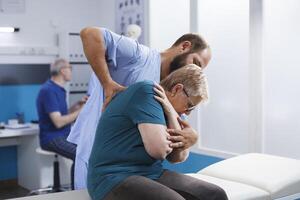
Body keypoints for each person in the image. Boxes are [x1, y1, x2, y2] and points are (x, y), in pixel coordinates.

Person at [67, 26, 212, 189]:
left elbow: (174, 155)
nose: (194, 70)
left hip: (132, 171)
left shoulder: (175, 93)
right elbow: (90, 34)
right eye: (195, 62)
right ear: (184, 46)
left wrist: (190, 139)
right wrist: (107, 83)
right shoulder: (139, 56)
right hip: (98, 155)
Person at [88, 64, 227, 200]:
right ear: (177, 89)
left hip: (151, 173)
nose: (188, 113)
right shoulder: (147, 91)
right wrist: (174, 118)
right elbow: (158, 150)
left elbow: (177, 158)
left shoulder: (171, 110)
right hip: (112, 177)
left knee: (215, 194)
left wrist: (172, 113)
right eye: (189, 106)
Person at [36, 58, 87, 189]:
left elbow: (62, 114)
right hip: (51, 138)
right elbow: (58, 122)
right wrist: (81, 111)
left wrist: (77, 105)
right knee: (80, 155)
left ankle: (79, 188)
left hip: (62, 135)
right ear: (63, 71)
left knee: (86, 150)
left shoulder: (58, 89)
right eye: (70, 68)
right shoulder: (48, 90)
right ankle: (75, 192)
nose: (71, 72)